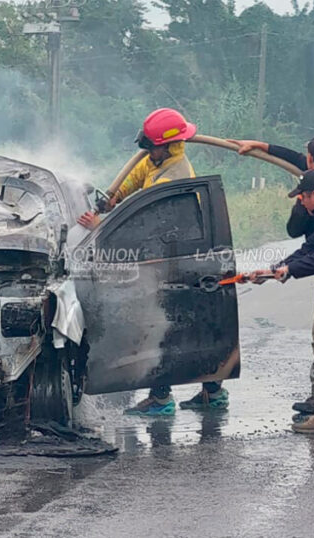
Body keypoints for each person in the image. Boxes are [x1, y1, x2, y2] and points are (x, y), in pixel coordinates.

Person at [78, 108, 229, 416]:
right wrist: (113, 199)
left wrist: (100, 228)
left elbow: (146, 222)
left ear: (169, 145)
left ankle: (161, 399)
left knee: (160, 327)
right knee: (194, 325)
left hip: (169, 258)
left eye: (153, 147)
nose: (149, 152)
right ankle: (213, 392)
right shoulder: (157, 161)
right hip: (173, 251)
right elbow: (134, 179)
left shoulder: (173, 176)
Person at [227, 136, 314, 420]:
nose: (300, 201)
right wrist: (275, 269)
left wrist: (291, 270)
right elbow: (311, 246)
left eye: (302, 197)